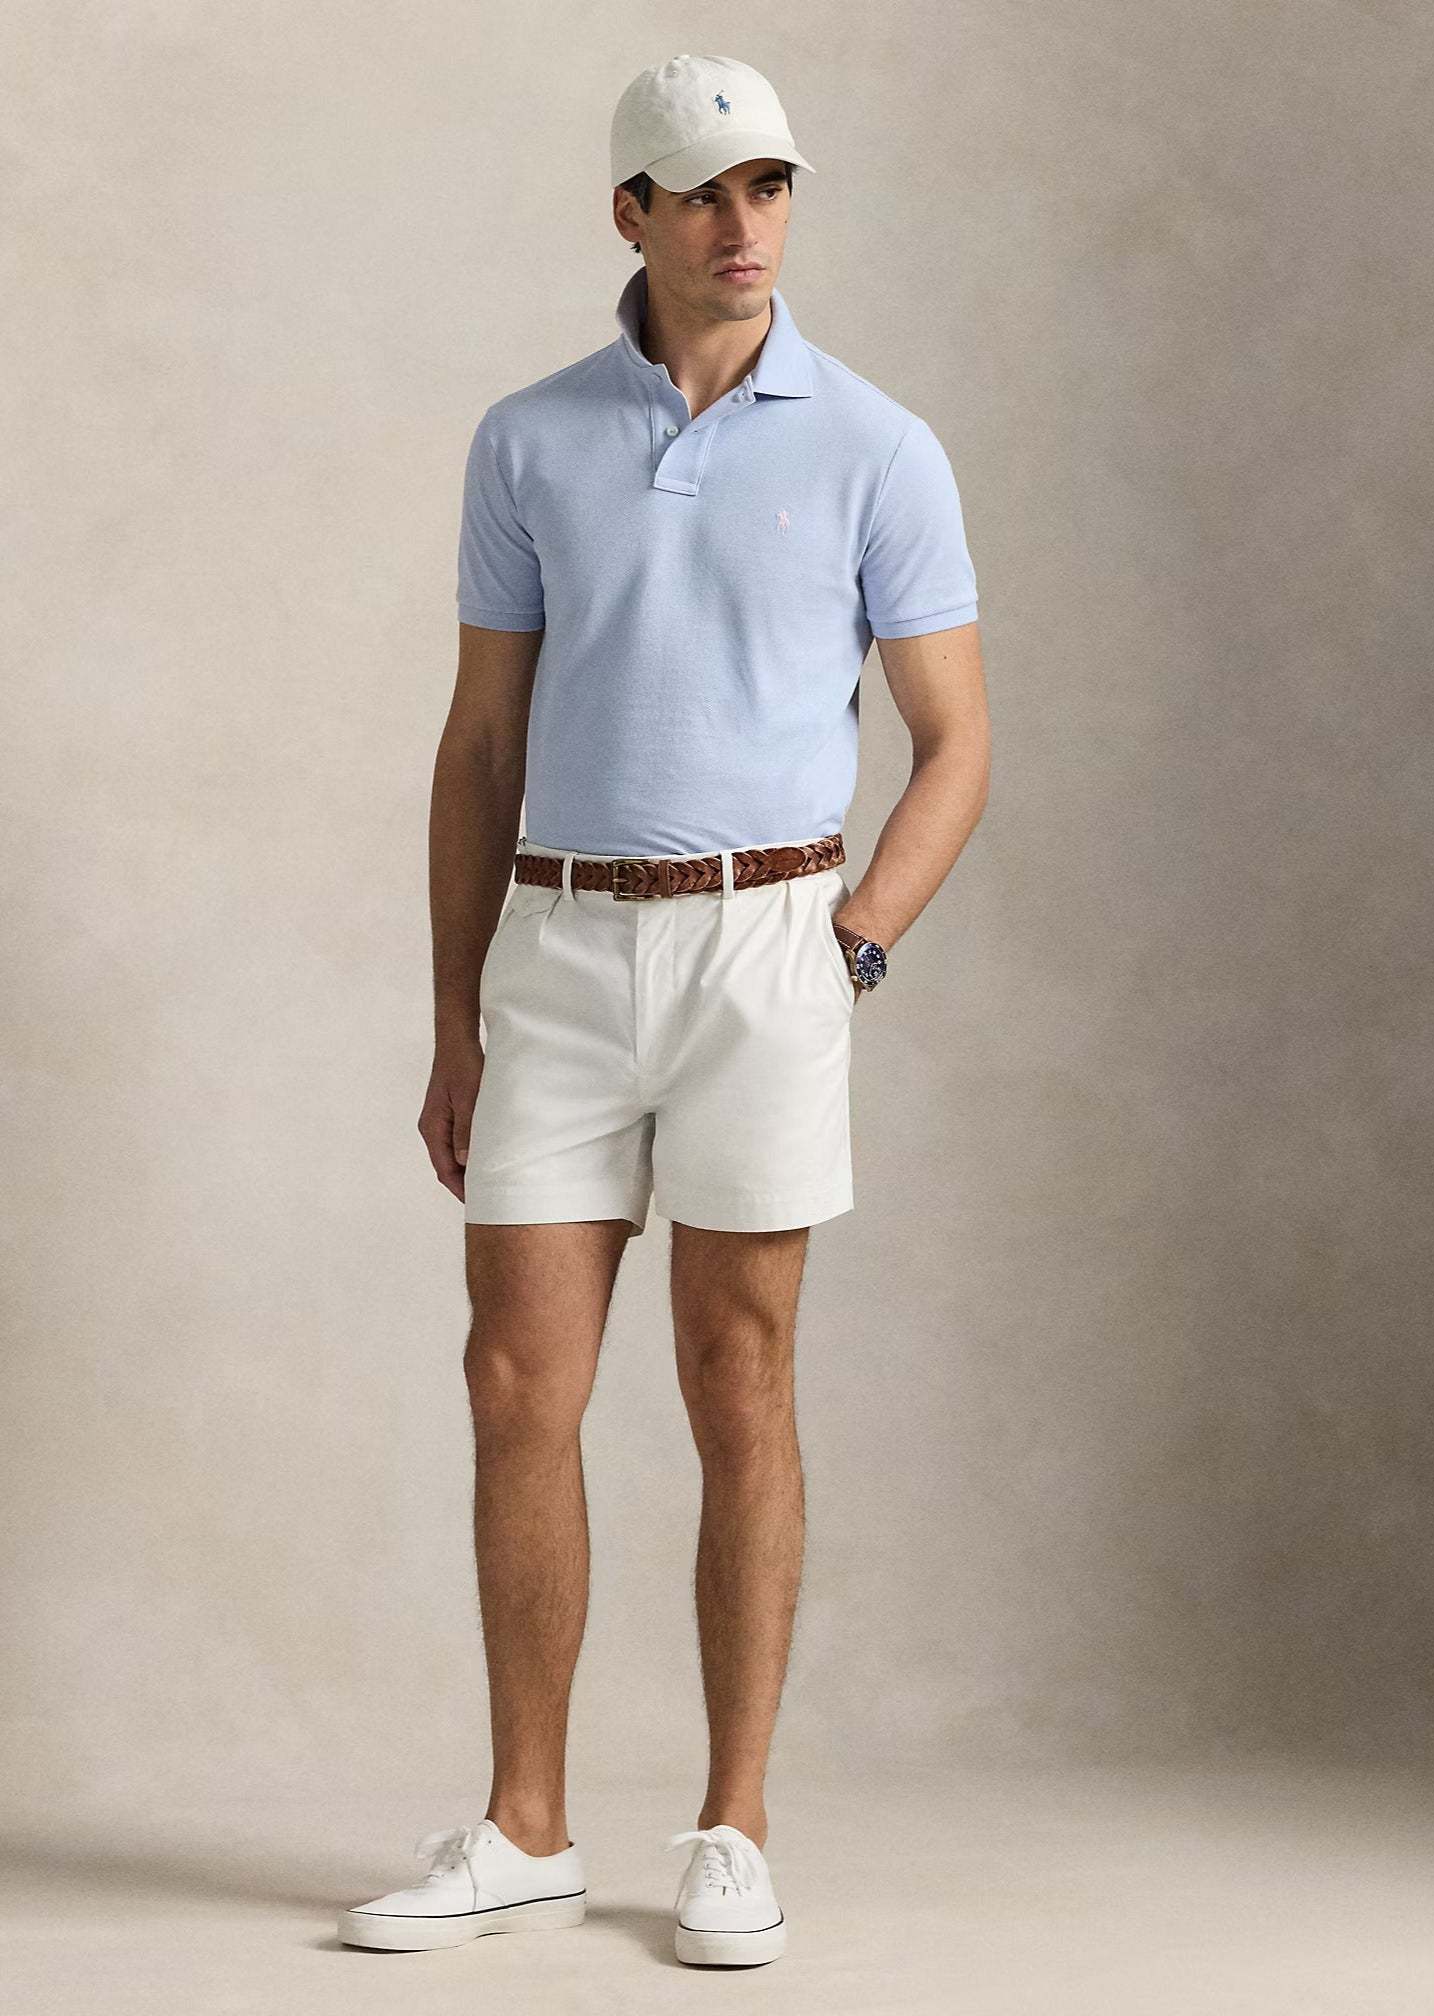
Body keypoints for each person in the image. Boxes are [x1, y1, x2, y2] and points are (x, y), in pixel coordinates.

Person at [340, 52, 989, 1971]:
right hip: (559, 946)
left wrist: (850, 943)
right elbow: (480, 741)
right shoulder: (528, 440)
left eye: (768, 185)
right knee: (512, 1380)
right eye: (702, 190)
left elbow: (955, 744)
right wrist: (454, 1017)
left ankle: (734, 1827)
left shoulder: (878, 445)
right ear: (628, 211)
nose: (743, 223)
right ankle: (526, 1827)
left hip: (765, 945)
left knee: (739, 1377)